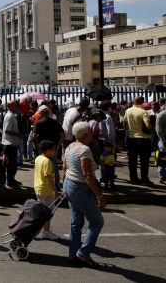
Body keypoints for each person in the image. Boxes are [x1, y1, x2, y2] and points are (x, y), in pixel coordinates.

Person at [62, 121, 106, 268]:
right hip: (80, 187)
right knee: (97, 221)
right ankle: (83, 252)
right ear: (87, 135)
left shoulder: (69, 147)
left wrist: (64, 186)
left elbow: (64, 167)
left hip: (69, 184)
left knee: (76, 222)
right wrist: (99, 196)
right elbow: (88, 175)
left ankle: (73, 254)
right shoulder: (84, 150)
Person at [123, 96, 154, 185]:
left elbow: (125, 122)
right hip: (143, 138)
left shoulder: (128, 111)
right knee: (144, 160)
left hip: (131, 138)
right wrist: (153, 130)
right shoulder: (143, 112)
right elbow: (148, 125)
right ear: (142, 102)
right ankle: (144, 179)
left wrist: (129, 130)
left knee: (132, 160)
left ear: (133, 102)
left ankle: (133, 178)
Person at [33, 105, 65, 188]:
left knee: (43, 166)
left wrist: (37, 145)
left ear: (40, 113)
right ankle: (56, 184)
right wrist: (58, 146)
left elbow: (34, 135)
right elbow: (62, 134)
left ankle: (45, 184)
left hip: (43, 148)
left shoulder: (39, 123)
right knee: (54, 167)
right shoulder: (54, 122)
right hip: (53, 148)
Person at [34, 140, 60, 240]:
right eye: (53, 149)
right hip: (46, 190)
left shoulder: (38, 158)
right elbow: (48, 177)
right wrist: (55, 190)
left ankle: (45, 230)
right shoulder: (47, 161)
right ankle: (46, 232)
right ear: (48, 150)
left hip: (39, 189)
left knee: (44, 212)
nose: (54, 151)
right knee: (47, 213)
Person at [1, 100, 25, 188]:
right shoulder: (9, 116)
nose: (17, 107)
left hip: (14, 142)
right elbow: (7, 130)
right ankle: (10, 181)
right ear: (10, 107)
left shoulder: (14, 115)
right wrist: (18, 134)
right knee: (11, 164)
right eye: (15, 106)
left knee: (14, 164)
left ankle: (11, 179)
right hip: (9, 143)